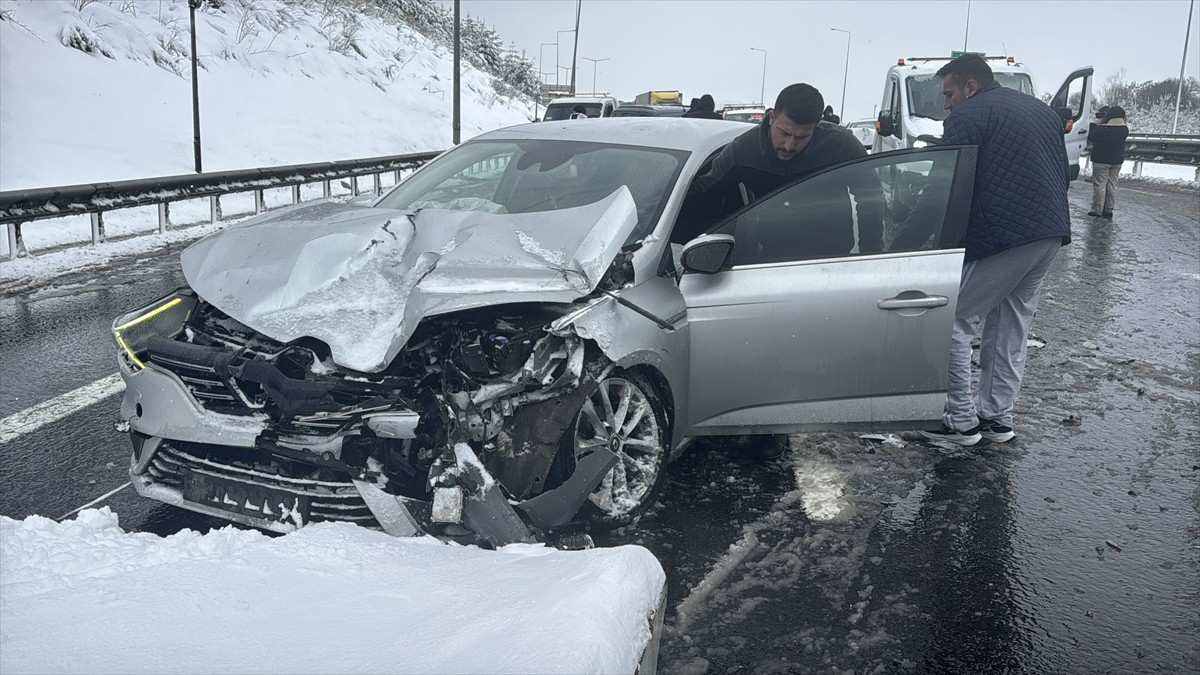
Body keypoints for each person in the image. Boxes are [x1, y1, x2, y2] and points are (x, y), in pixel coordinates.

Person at [685, 84, 883, 460]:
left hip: (826, 260)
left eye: (802, 138)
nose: (790, 146)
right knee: (767, 347)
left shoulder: (841, 147)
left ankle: (829, 412)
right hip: (766, 261)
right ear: (771, 117)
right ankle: (767, 428)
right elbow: (704, 198)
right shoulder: (742, 150)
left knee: (817, 345)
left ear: (818, 127)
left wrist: (873, 253)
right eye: (784, 133)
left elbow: (871, 197)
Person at [916, 54, 1072, 446]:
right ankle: (997, 418)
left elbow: (943, 183)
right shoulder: (1041, 111)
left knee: (953, 322)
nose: (946, 103)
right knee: (1010, 324)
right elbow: (1060, 172)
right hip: (1049, 232)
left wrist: (909, 230)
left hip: (1004, 236)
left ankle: (960, 422)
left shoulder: (967, 117)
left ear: (970, 86)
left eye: (949, 93)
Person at [1087, 105, 1128, 218]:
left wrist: (1093, 123)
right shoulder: (1124, 129)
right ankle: (1108, 209)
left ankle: (1097, 209)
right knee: (1111, 185)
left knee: (1100, 186)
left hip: (1101, 160)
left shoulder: (1102, 129)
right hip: (1117, 161)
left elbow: (1091, 136)